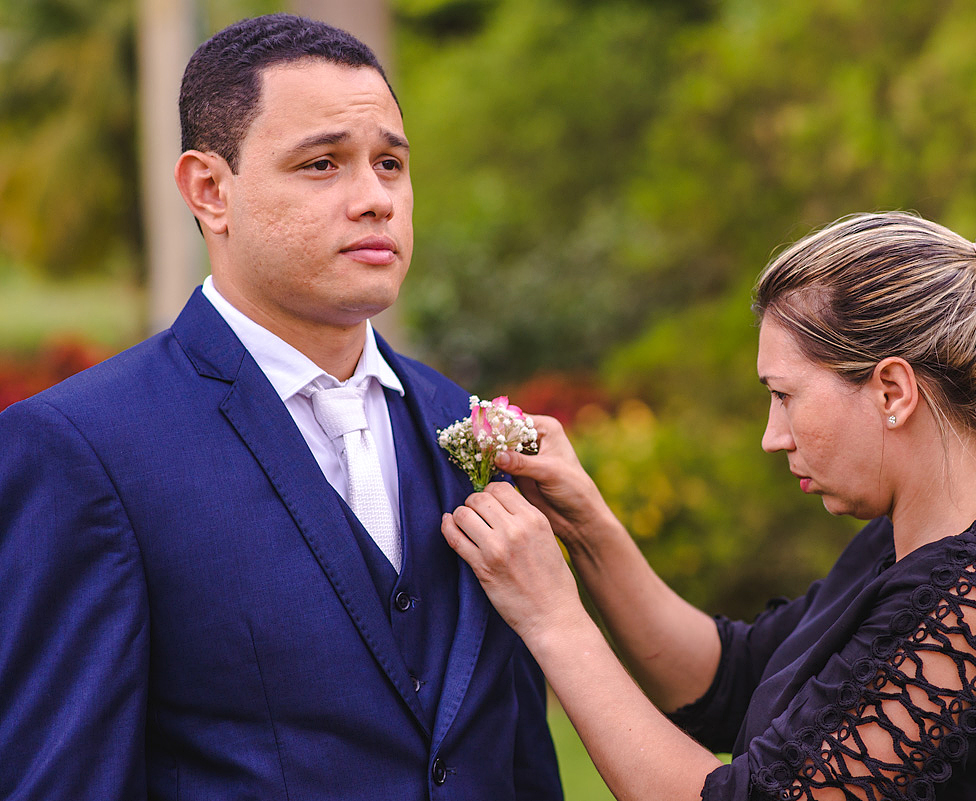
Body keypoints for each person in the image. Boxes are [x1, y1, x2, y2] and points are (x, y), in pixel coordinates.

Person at [0, 14, 562, 801]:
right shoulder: (80, 448)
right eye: (322, 164)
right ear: (210, 190)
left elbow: (518, 756)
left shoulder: (463, 424)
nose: (375, 199)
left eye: (390, 164)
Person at [440, 211, 976, 800]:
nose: (774, 436)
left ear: (892, 390)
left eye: (785, 395)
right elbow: (732, 679)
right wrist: (586, 527)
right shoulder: (904, 546)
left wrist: (554, 619)